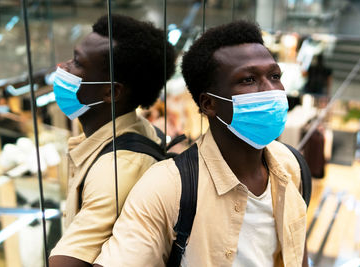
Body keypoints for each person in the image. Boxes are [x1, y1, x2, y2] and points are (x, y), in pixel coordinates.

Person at [94, 20, 308, 267]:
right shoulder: (167, 187)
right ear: (209, 104)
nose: (271, 90)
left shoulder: (290, 165)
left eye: (274, 76)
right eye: (248, 80)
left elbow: (295, 252)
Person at [49, 14, 175, 266]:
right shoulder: (136, 130)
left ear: (110, 91)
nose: (63, 67)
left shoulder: (116, 167)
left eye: (77, 62)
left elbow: (67, 262)